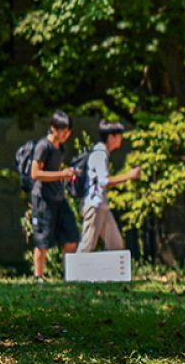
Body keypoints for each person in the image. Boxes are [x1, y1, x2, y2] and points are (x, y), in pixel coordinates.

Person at [76, 121, 141, 253]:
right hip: (94, 206)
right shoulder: (100, 154)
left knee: (116, 246)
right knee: (86, 248)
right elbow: (104, 181)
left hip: (102, 206)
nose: (121, 139)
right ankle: (73, 273)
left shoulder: (102, 153)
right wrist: (129, 175)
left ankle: (115, 274)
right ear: (111, 137)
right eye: (119, 135)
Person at [30, 111, 80, 279]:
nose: (65, 135)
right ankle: (38, 277)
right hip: (43, 198)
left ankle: (69, 274)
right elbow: (35, 173)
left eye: (67, 131)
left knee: (72, 236)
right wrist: (61, 175)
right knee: (42, 240)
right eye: (61, 130)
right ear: (53, 128)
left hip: (59, 197)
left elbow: (58, 171)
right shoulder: (44, 146)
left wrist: (68, 174)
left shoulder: (61, 147)